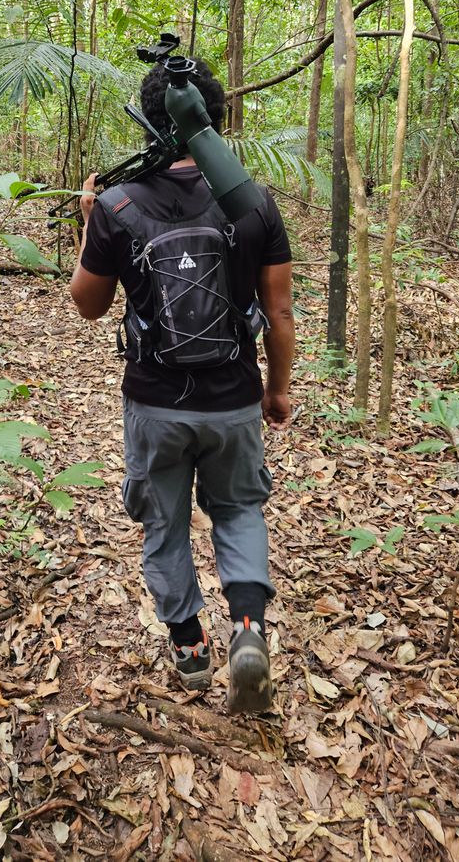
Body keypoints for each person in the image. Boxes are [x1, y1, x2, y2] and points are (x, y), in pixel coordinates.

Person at [70, 59, 295, 713]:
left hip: (154, 402)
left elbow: (88, 305)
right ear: (212, 120)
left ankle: (191, 646)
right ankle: (248, 629)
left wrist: (91, 220)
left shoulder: (117, 205)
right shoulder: (253, 203)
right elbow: (278, 313)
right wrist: (276, 391)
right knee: (239, 509)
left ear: (148, 123)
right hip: (232, 401)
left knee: (163, 520)